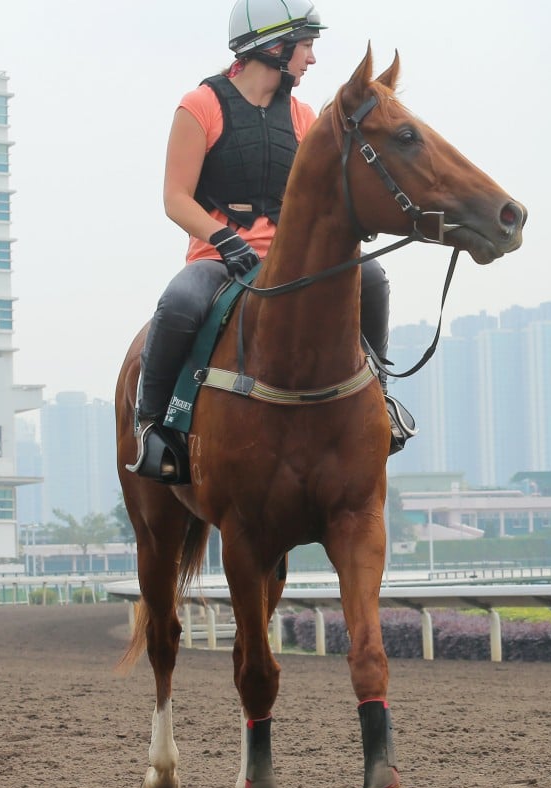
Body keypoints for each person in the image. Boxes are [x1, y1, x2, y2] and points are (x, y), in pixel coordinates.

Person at [128, 0, 412, 481]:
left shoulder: (302, 117)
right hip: (218, 260)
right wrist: (222, 238)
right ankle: (152, 425)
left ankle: (379, 396)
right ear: (273, 46)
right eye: (306, 46)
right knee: (179, 301)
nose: (312, 59)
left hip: (290, 260)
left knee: (373, 277)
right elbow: (175, 199)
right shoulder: (199, 107)